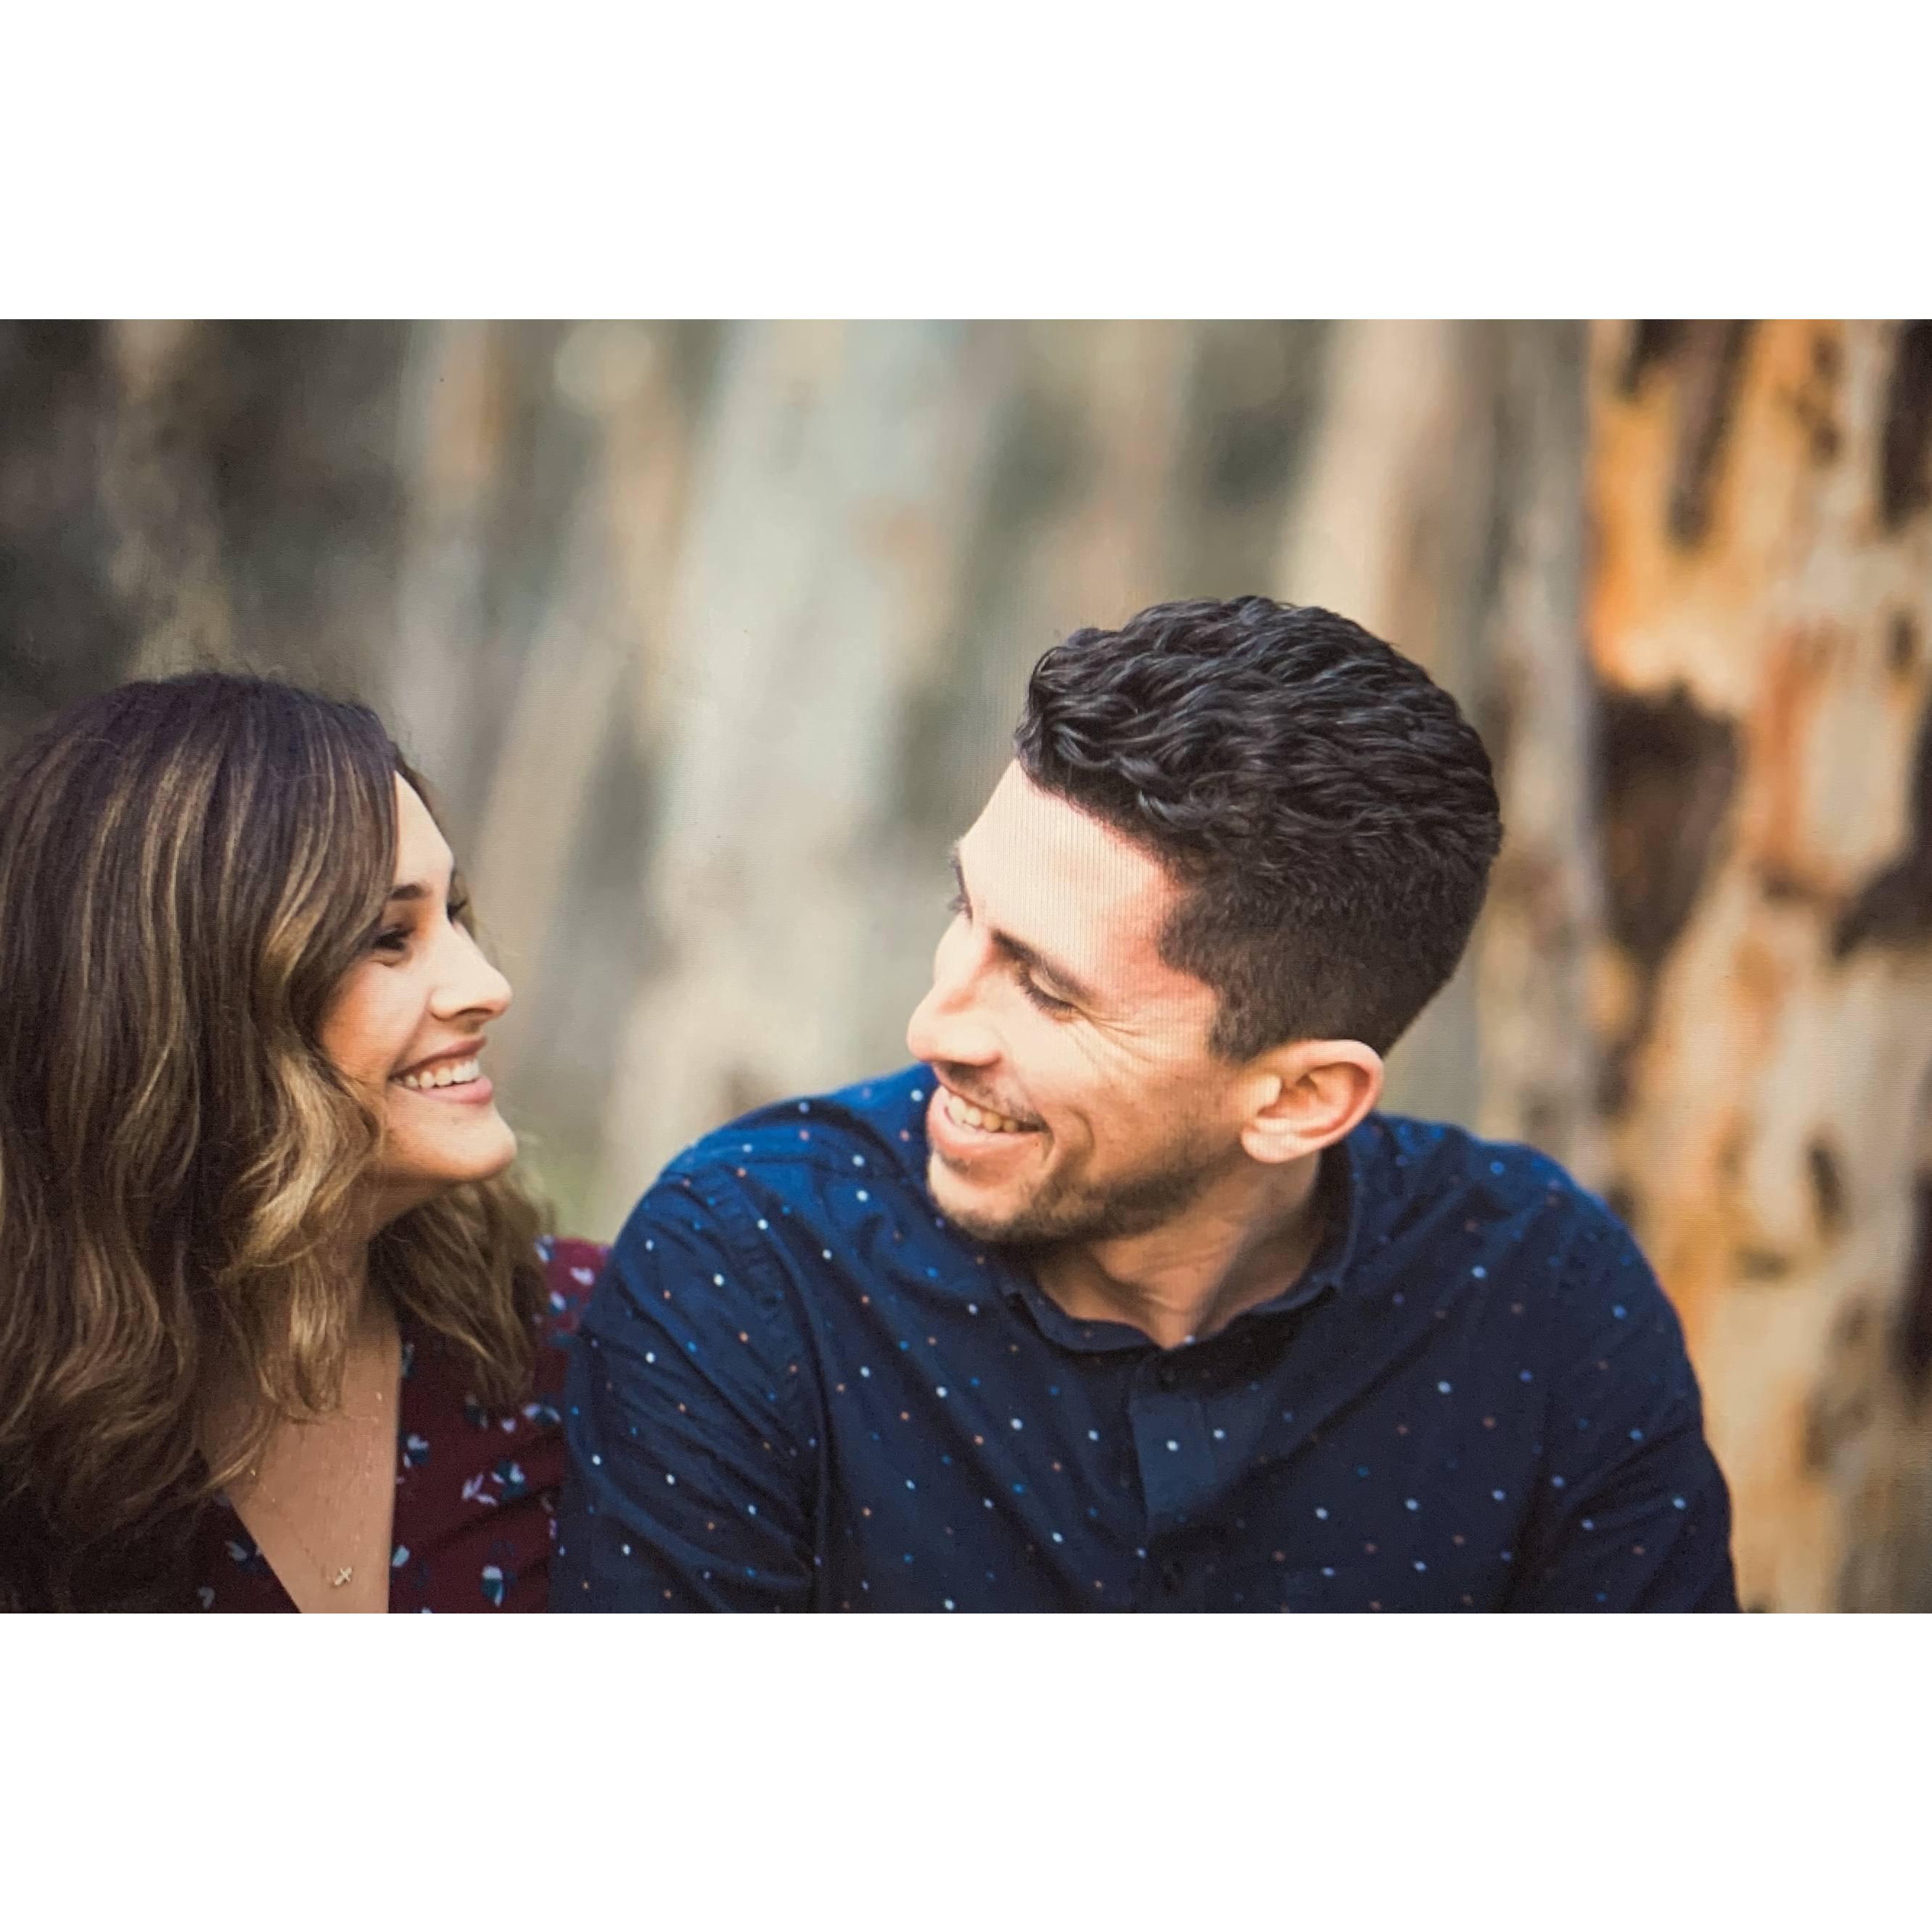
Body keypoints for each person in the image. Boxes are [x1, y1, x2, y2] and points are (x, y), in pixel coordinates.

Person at [554, 595, 1737, 1613]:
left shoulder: (1545, 1304)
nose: (935, 1029)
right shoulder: (749, 1267)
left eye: (1046, 988)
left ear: (1301, 1098)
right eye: (966, 911)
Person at [0, 673, 606, 1612]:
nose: (488, 986)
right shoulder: (31, 1441)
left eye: (451, 915)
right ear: (189, 1007)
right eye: (388, 937)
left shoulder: (585, 1337)